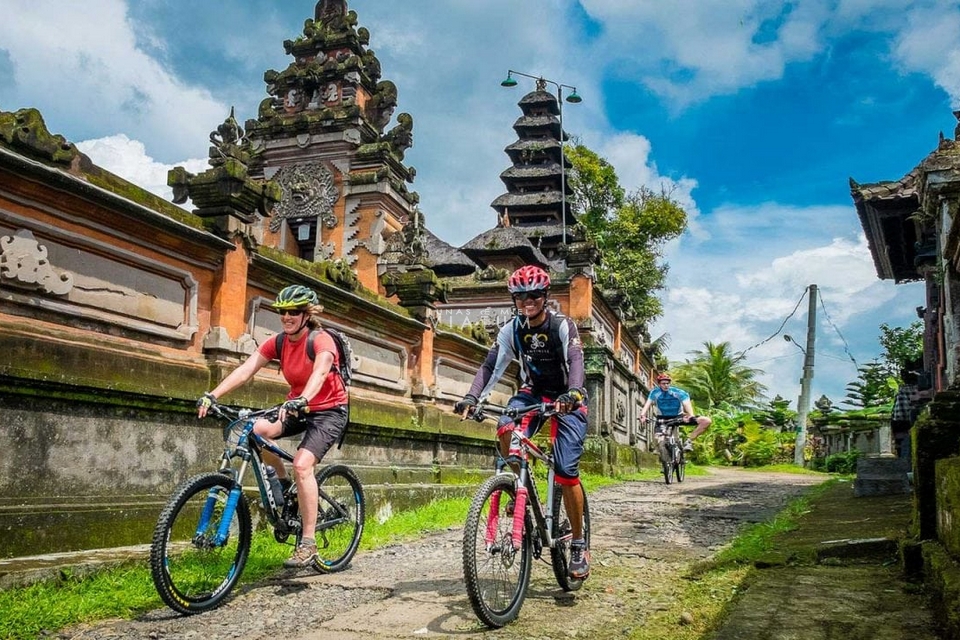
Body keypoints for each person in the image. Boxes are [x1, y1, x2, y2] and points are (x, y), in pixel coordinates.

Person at [196, 284, 349, 569]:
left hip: (328, 410)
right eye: (282, 312)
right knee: (254, 430)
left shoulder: (321, 340)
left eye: (293, 312)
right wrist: (212, 394)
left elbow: (321, 371)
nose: (287, 317)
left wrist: (304, 398)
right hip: (296, 406)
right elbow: (246, 369)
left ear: (307, 314)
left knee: (303, 464)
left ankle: (308, 543)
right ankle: (283, 484)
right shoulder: (278, 342)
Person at [454, 265, 591, 580]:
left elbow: (575, 361)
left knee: (567, 471)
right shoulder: (511, 330)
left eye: (532, 295)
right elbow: (490, 366)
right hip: (532, 394)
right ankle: (521, 488)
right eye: (519, 296)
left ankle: (579, 543)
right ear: (513, 299)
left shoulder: (562, 325)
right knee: (504, 428)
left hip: (568, 398)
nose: (526, 301)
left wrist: (572, 394)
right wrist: (472, 397)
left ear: (544, 296)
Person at [640, 373, 712, 461]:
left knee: (706, 421)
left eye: (667, 383)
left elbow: (686, 404)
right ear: (659, 384)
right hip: (663, 418)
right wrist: (643, 415)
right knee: (657, 439)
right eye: (663, 383)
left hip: (678, 417)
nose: (666, 385)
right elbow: (648, 404)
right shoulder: (655, 392)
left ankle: (689, 441)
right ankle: (665, 458)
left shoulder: (678, 392)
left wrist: (690, 415)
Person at [891, 370, 920, 460]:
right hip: (910, 419)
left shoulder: (901, 390)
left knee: (902, 444)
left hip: (900, 420)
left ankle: (903, 460)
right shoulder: (918, 389)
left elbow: (895, 411)